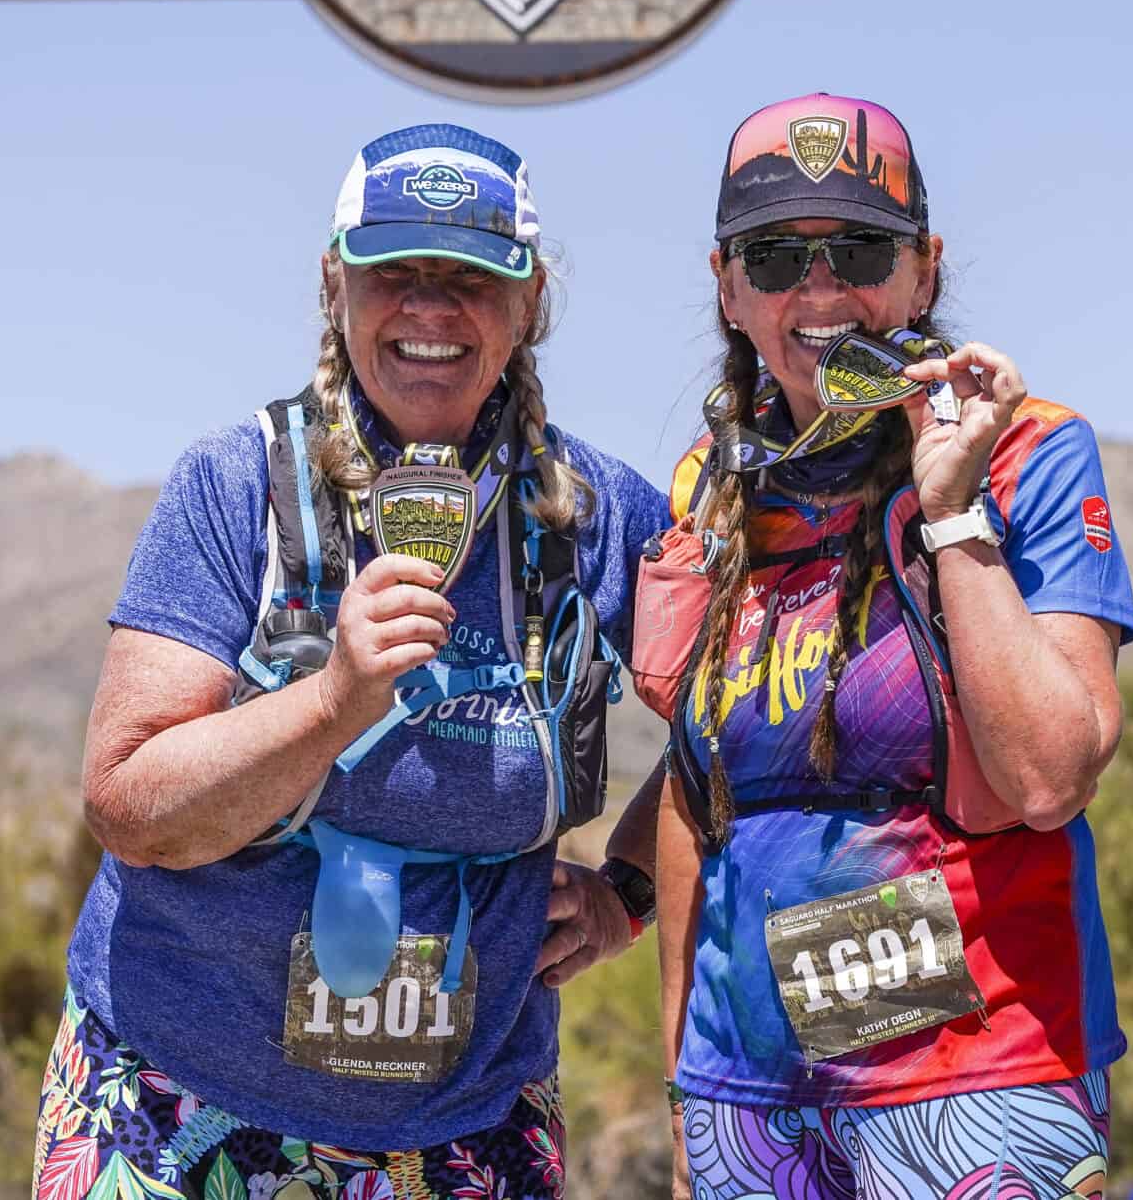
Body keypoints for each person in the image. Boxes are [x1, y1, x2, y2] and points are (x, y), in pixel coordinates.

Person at [42, 124, 671, 1200]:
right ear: (337, 286)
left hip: (471, 1126)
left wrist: (627, 889)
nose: (431, 309)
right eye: (395, 273)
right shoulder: (237, 486)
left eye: (471, 277)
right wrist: (333, 700)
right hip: (175, 1104)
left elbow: (750, 725)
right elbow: (129, 805)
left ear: (528, 307)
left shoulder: (593, 515)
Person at [635, 94, 1133, 1200]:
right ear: (727, 285)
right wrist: (684, 1083)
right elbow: (692, 800)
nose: (819, 294)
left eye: (858, 250)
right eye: (775, 258)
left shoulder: (1030, 454)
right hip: (750, 1104)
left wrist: (951, 513)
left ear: (922, 270)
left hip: (977, 1081)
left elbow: (1052, 778)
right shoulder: (706, 490)